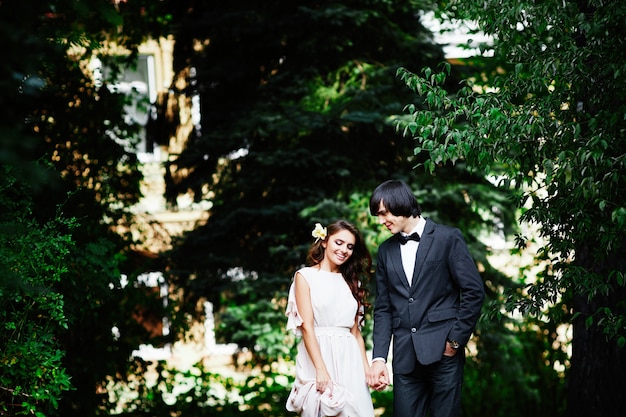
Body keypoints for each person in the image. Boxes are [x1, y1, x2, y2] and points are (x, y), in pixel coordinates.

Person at [366, 180, 485, 417]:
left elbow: (473, 291)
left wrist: (454, 342)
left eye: (384, 213)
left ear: (398, 203)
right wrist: (379, 357)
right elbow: (383, 309)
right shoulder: (385, 250)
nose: (381, 221)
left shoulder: (448, 238)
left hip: (444, 354)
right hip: (404, 359)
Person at [286, 220, 375, 417]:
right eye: (339, 242)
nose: (344, 250)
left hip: (349, 358)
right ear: (325, 241)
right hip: (319, 354)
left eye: (350, 247)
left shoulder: (352, 282)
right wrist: (321, 369)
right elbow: (307, 327)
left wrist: (366, 369)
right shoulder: (305, 276)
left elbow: (356, 333)